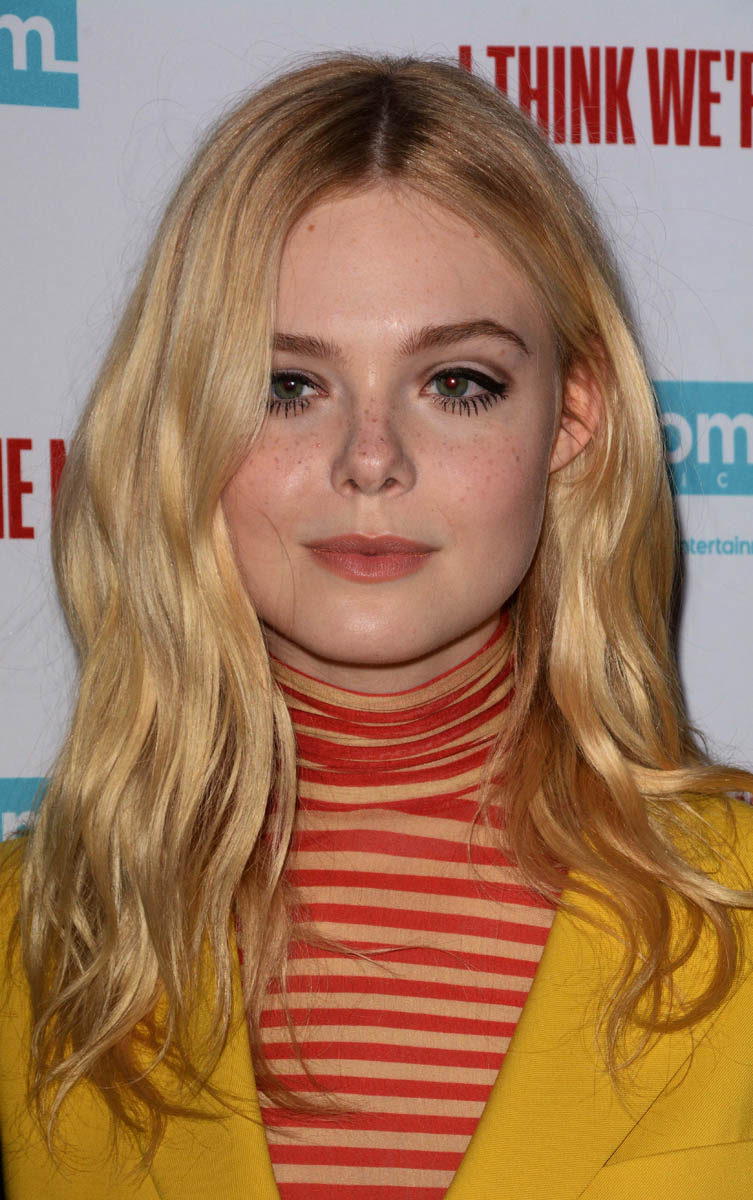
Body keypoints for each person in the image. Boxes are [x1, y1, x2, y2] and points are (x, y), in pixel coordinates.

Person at [1, 51, 753, 1200]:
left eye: (456, 382)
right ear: (181, 421)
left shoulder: (740, 904)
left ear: (573, 418)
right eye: (285, 385)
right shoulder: (27, 940)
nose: (370, 461)